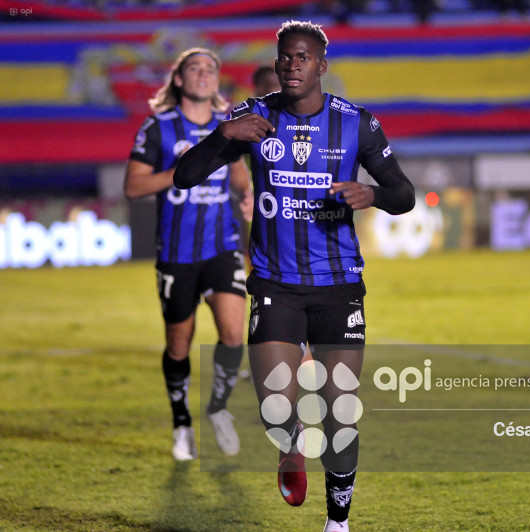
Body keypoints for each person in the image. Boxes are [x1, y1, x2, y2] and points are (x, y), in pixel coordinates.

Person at [174, 21, 415, 532]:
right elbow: (184, 176)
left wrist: (371, 194)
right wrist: (221, 135)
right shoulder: (253, 116)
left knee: (340, 408)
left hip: (339, 285)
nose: (291, 64)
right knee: (276, 403)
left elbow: (404, 194)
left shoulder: (357, 124)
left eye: (303, 57)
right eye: (285, 56)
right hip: (274, 283)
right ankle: (290, 447)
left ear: (322, 66)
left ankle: (338, 523)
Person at [124, 47, 254, 460]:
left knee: (234, 334)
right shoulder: (158, 127)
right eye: (194, 68)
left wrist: (247, 190)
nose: (204, 74)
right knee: (179, 346)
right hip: (177, 253)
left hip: (223, 245)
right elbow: (133, 186)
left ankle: (217, 408)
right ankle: (182, 422)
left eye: (211, 69)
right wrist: (184, 169)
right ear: (178, 79)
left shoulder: (227, 125)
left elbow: (237, 173)